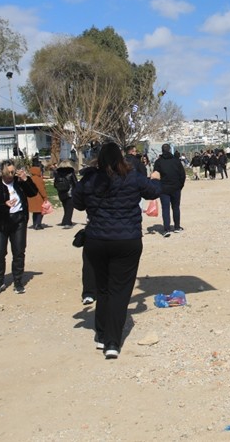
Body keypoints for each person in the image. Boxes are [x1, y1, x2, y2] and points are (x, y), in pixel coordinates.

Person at [72, 143, 161, 359]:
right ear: (121, 158)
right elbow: (153, 191)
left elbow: (78, 204)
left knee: (103, 288)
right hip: (126, 240)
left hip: (97, 240)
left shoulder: (91, 178)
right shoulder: (131, 176)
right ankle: (112, 341)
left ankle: (101, 335)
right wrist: (156, 176)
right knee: (119, 291)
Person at [0, 161, 39, 295]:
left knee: (19, 251)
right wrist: (4, 204)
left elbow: (33, 193)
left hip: (18, 220)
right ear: (2, 172)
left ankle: (18, 281)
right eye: (8, 172)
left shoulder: (19, 182)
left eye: (13, 172)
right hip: (0, 222)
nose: (11, 175)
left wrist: (26, 179)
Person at [152, 144, 186, 234]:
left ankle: (166, 229)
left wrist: (157, 188)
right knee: (176, 207)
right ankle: (177, 227)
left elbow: (155, 176)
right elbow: (182, 175)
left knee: (165, 209)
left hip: (163, 189)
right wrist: (180, 186)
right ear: (170, 150)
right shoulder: (176, 161)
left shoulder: (158, 162)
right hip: (175, 188)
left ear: (162, 150)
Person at [53, 160, 77, 227]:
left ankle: (64, 221)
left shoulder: (57, 173)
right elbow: (75, 182)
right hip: (70, 192)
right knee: (70, 208)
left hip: (61, 193)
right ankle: (67, 222)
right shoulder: (71, 172)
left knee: (65, 207)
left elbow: (55, 185)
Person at [28, 165, 49, 230]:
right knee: (40, 211)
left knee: (35, 212)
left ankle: (34, 223)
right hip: (38, 197)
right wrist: (45, 197)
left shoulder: (30, 179)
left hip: (31, 197)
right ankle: (38, 224)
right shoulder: (38, 179)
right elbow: (41, 189)